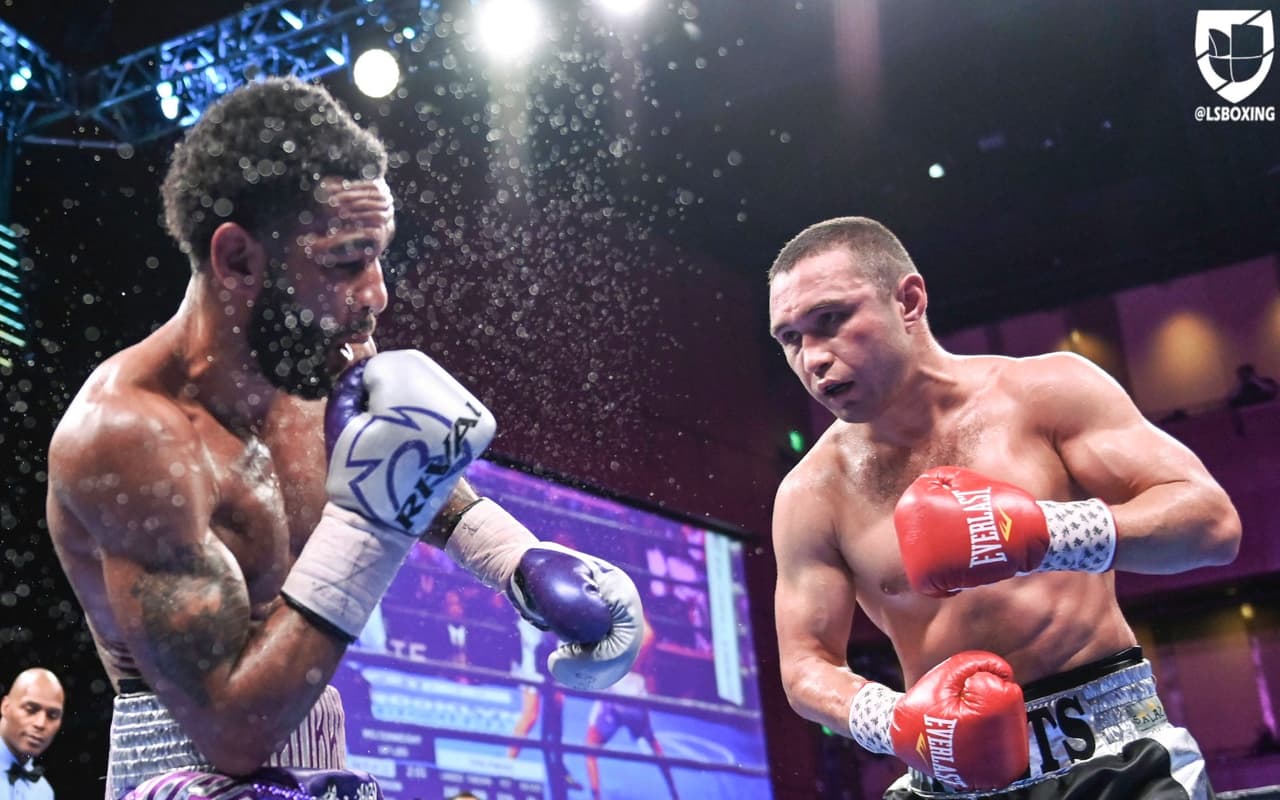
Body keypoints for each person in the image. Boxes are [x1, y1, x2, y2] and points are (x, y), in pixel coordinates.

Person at [45, 76, 644, 800]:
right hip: (183, 765)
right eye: (344, 261)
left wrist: (513, 556)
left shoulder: (320, 360)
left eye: (378, 255)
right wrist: (371, 529)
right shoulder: (129, 436)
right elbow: (232, 732)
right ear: (238, 260)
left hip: (318, 749)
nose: (376, 293)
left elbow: (401, 469)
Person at [766, 216, 1241, 799]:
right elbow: (806, 665)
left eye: (831, 320)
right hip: (947, 778)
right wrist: (897, 722)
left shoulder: (1045, 393)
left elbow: (1212, 525)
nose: (813, 358)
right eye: (790, 339)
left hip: (1113, 756)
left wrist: (1046, 534)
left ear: (908, 301)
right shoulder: (812, 492)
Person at [0, 669, 64, 800]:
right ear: (5, 707)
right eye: (31, 709)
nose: (40, 724)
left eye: (52, 715)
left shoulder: (43, 792)